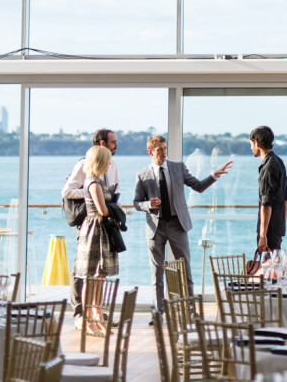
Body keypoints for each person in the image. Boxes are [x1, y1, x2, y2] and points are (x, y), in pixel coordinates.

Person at [133, 134, 233, 309]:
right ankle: (158, 312)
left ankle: (190, 309)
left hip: (177, 225)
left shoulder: (178, 167)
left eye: (165, 148)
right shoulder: (142, 175)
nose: (164, 152)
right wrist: (148, 204)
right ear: (150, 152)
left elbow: (198, 186)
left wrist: (214, 176)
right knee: (157, 273)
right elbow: (136, 203)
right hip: (155, 228)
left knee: (185, 269)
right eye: (159, 150)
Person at [61, 128, 119, 317]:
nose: (116, 145)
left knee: (99, 271)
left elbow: (114, 188)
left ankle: (96, 313)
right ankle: (79, 312)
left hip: (104, 224)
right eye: (113, 142)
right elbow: (66, 191)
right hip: (88, 221)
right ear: (102, 143)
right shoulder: (84, 164)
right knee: (81, 267)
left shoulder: (113, 164)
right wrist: (91, 193)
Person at [72, 144, 117, 335]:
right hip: (95, 231)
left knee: (98, 277)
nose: (109, 165)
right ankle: (89, 321)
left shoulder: (96, 181)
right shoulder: (94, 183)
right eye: (107, 161)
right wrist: (115, 208)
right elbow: (103, 210)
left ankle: (96, 318)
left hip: (98, 230)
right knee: (92, 278)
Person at [249, 126, 287, 253]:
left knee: (267, 264)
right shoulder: (279, 162)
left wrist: (262, 235)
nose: (251, 148)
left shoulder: (267, 167)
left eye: (251, 144)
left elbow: (266, 203)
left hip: (269, 231)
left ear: (257, 143)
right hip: (277, 228)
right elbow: (286, 197)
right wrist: (281, 222)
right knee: (275, 263)